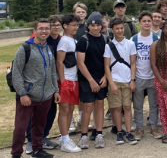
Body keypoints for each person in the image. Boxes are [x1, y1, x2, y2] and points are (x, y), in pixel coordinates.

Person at [11, 19, 60, 158]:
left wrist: (55, 90)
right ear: (35, 31)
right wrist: (22, 93)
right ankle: (16, 154)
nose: (44, 31)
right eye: (41, 28)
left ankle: (37, 149)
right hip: (28, 96)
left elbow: (51, 71)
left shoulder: (49, 48)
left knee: (39, 126)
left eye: (46, 28)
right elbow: (17, 73)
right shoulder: (24, 49)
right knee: (21, 128)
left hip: (45, 96)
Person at [25, 15, 61, 154]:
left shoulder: (59, 40)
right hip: (35, 84)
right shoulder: (32, 43)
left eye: (57, 25)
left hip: (51, 82)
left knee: (50, 111)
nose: (54, 28)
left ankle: (42, 137)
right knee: (33, 114)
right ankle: (30, 140)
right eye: (52, 25)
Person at [76, 12, 109, 149]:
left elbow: (108, 61)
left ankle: (99, 133)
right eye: (92, 25)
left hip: (101, 77)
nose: (95, 28)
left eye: (98, 25)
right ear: (88, 26)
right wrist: (91, 80)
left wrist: (105, 77)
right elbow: (80, 63)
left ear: (101, 26)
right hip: (86, 79)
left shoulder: (106, 39)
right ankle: (83, 135)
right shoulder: (84, 40)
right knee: (88, 106)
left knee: (100, 104)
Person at [104, 18, 138, 145]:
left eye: (121, 28)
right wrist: (111, 83)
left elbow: (133, 63)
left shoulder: (130, 44)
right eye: (117, 28)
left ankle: (128, 132)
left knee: (127, 107)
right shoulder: (109, 46)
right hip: (115, 81)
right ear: (112, 30)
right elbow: (106, 66)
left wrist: (132, 80)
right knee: (116, 108)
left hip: (127, 80)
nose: (119, 31)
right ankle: (119, 131)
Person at [131, 11, 162, 141]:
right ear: (139, 23)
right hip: (139, 76)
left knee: (154, 104)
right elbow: (131, 60)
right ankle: (139, 128)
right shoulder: (134, 39)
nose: (147, 23)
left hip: (153, 76)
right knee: (138, 104)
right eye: (144, 21)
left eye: (149, 21)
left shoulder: (156, 39)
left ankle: (153, 127)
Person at [56, 14, 82, 153]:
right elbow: (59, 61)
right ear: (65, 26)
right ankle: (65, 139)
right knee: (65, 110)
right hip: (66, 80)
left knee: (70, 110)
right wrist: (63, 80)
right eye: (73, 25)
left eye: (77, 25)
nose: (76, 27)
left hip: (74, 80)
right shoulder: (64, 41)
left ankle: (64, 137)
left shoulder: (73, 40)